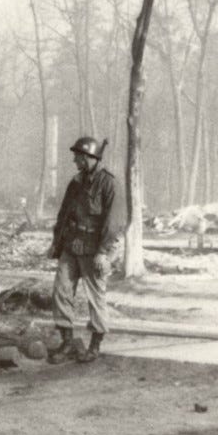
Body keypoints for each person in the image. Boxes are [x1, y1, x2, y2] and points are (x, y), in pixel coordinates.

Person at [48, 135, 121, 364]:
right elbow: (64, 215)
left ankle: (95, 345)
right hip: (71, 245)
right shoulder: (76, 182)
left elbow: (114, 222)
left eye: (79, 157)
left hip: (94, 249)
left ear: (91, 158)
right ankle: (67, 342)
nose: (75, 161)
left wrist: (103, 252)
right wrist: (56, 243)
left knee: (96, 297)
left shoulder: (109, 184)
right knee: (61, 291)